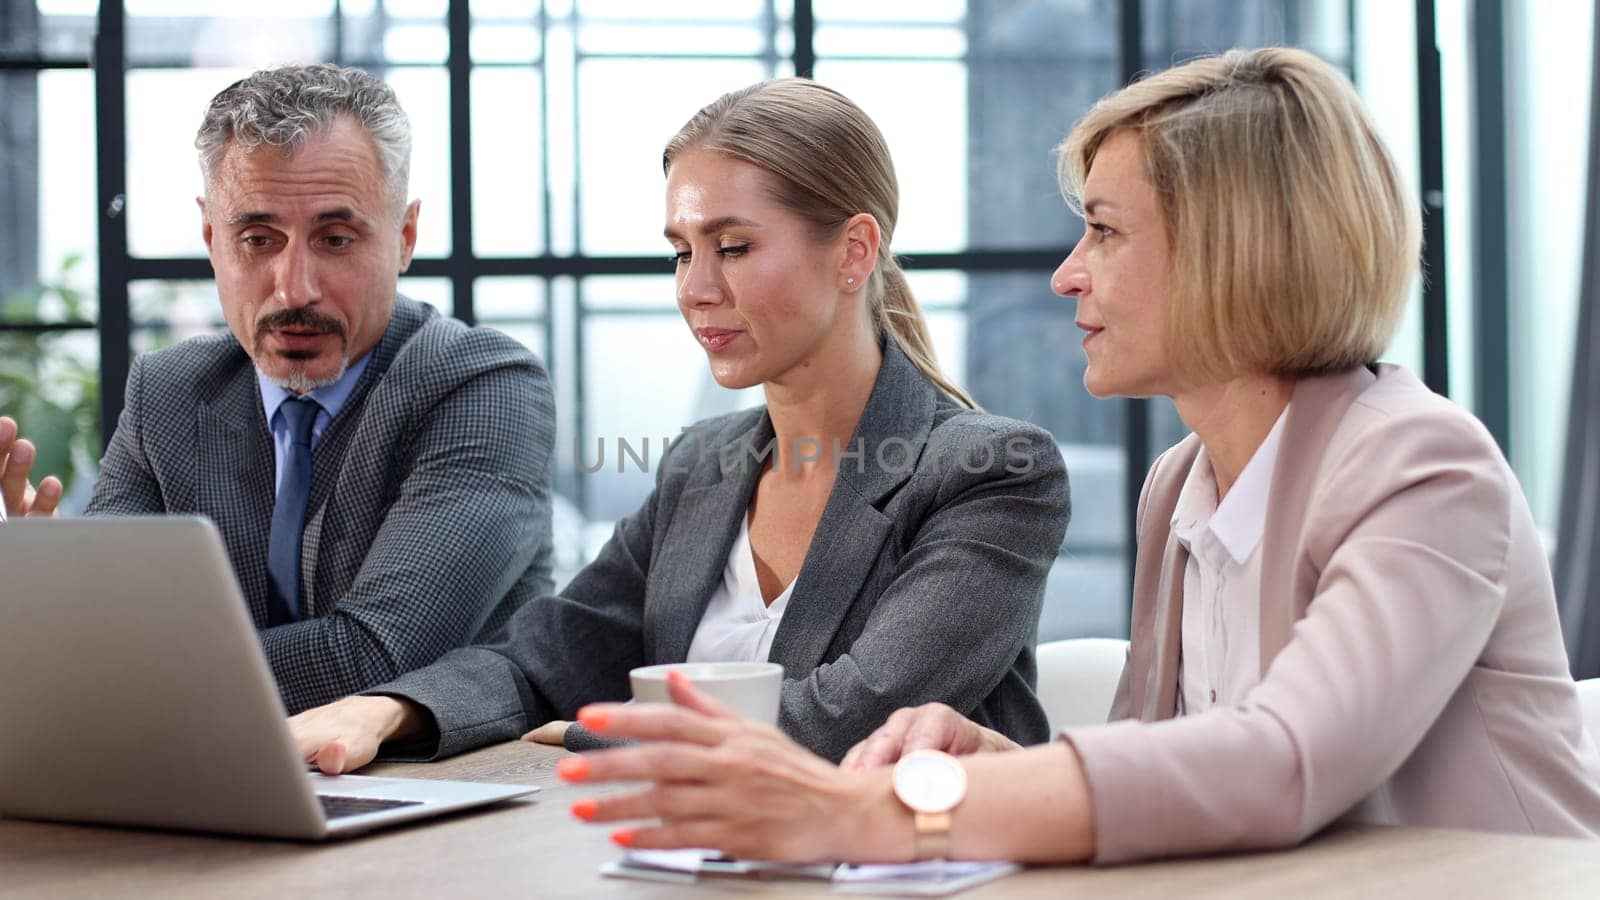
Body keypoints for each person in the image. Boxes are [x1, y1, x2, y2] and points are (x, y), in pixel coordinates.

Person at [555, 48, 1600, 864]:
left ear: (1234, 248)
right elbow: (1168, 770)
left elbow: (1284, 761)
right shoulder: (1181, 485)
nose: (1066, 276)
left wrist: (869, 809)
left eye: (1103, 232)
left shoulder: (1421, 464)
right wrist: (1006, 763)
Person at [287, 78, 1070, 771]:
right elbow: (549, 655)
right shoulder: (706, 464)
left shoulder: (991, 470)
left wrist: (592, 737)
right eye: (679, 252)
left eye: (732, 247)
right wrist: (389, 711)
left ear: (854, 252)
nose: (695, 288)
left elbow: (853, 717)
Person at [0, 64, 558, 715]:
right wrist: (40, 599)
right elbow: (104, 629)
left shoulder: (484, 386)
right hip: (207, 777)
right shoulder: (169, 393)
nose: (294, 288)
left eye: (336, 238)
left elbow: (374, 655)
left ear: (404, 237)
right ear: (212, 239)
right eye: (257, 240)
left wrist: (103, 657)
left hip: (443, 791)